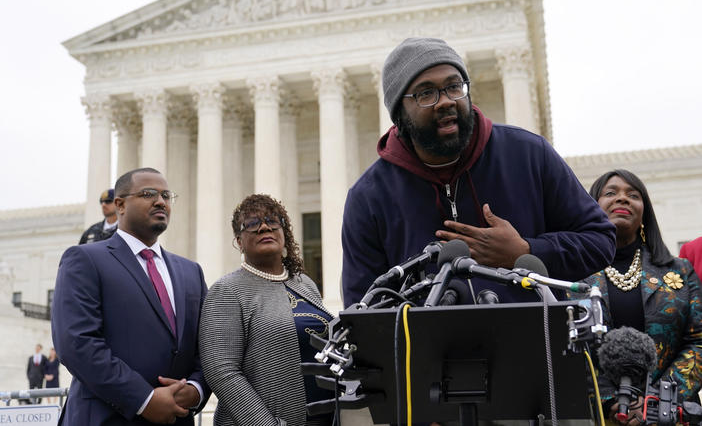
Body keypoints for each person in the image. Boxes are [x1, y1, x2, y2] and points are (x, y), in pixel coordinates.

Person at [341, 37, 616, 306]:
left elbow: (600, 240)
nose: (446, 101)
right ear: (400, 112)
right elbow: (362, 308)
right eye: (426, 93)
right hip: (427, 351)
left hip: (533, 345)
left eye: (454, 86)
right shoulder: (369, 197)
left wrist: (526, 251)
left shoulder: (529, 153)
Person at [52, 167, 210, 425]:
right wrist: (144, 400)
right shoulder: (85, 259)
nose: (161, 201)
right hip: (106, 418)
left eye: (166, 195)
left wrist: (195, 389)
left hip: (177, 418)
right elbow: (76, 343)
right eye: (148, 194)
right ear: (120, 205)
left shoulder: (190, 271)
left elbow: (207, 346)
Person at [200, 194, 334, 426]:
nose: (264, 227)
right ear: (239, 241)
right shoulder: (227, 290)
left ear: (284, 232)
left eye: (273, 221)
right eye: (252, 224)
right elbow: (221, 371)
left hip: (325, 417)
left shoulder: (304, 283)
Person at [585, 169, 702, 422]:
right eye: (611, 193)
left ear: (644, 212)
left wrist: (656, 401)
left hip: (672, 414)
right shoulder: (574, 275)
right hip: (601, 416)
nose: (622, 198)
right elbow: (567, 349)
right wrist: (612, 401)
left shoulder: (680, 271)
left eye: (633, 195)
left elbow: (698, 342)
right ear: (592, 207)